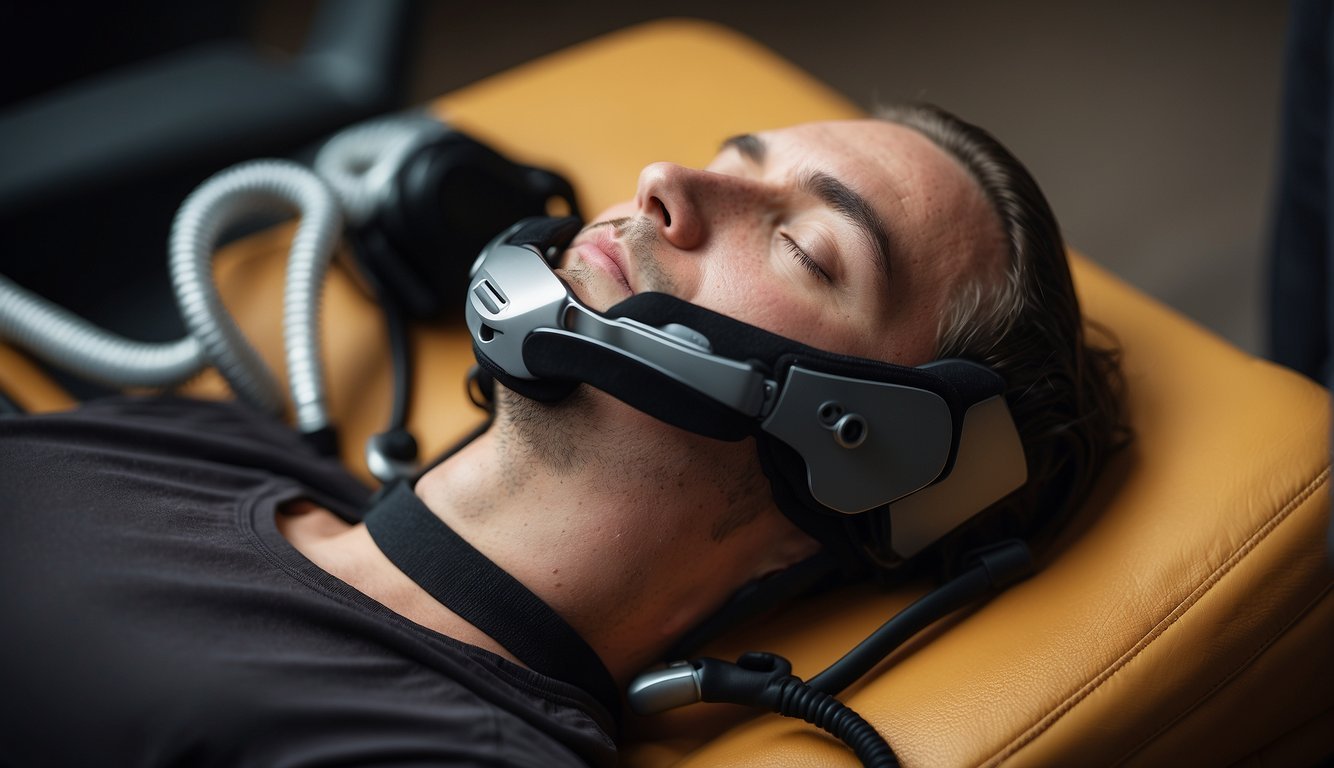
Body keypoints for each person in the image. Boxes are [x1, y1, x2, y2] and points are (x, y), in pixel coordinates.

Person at [0, 104, 1124, 767]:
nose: (662, 183)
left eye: (805, 248)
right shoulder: (211, 442)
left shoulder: (435, 751)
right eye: (729, 163)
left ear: (865, 447)